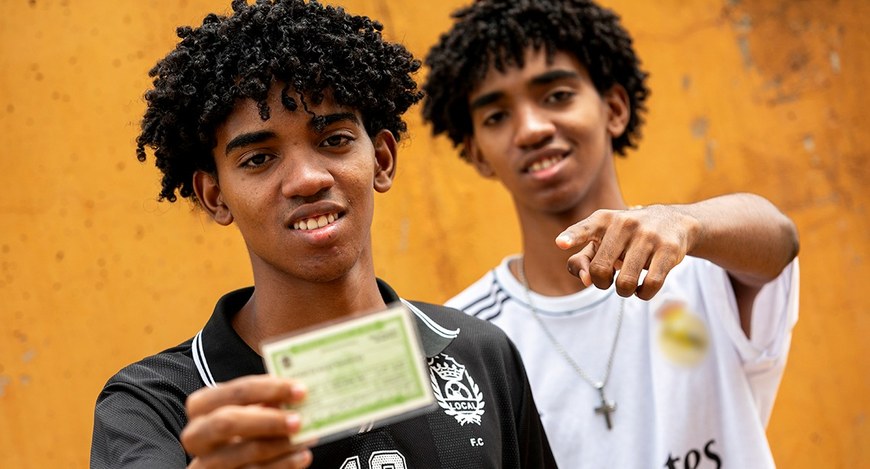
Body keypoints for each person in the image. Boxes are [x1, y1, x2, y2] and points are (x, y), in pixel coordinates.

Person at [89, 1, 557, 468]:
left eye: (334, 140)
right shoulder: (151, 406)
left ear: (382, 159)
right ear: (215, 196)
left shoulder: (480, 353)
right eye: (258, 159)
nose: (307, 179)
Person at [421, 0, 800, 468]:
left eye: (557, 95)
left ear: (614, 108)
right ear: (477, 154)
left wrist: (687, 224)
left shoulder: (703, 268)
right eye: (496, 116)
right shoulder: (463, 339)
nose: (532, 129)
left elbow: (780, 240)